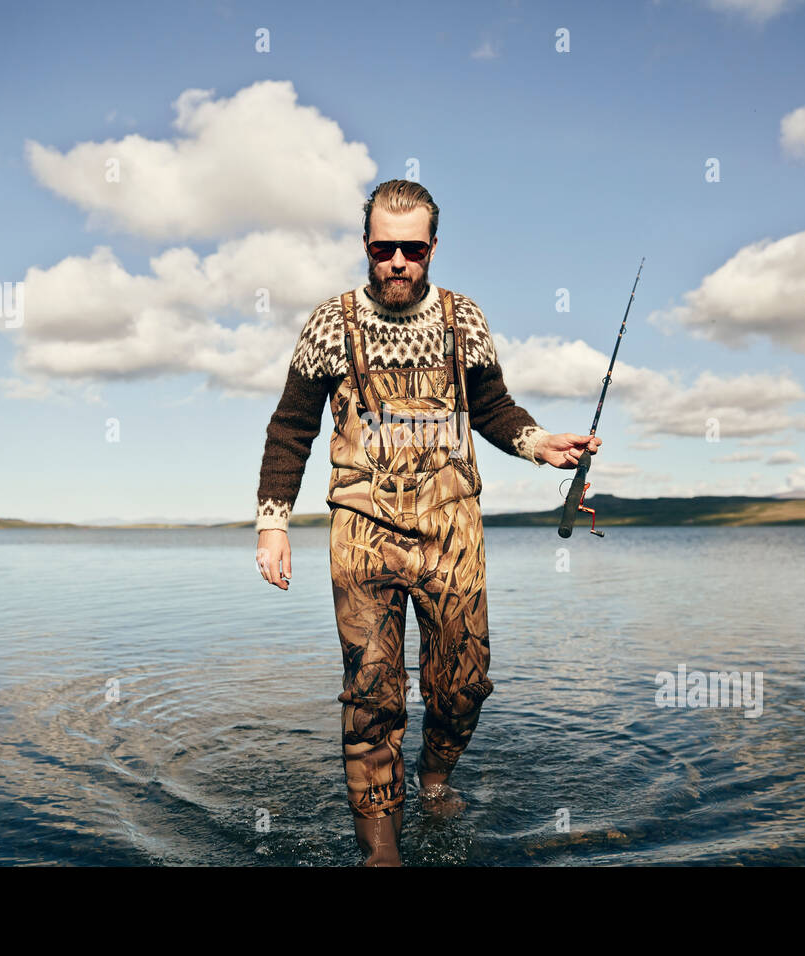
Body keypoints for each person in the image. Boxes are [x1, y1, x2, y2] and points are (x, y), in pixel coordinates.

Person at [254, 179, 601, 865]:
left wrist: (539, 444)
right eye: (384, 248)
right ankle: (381, 854)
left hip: (452, 529)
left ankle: (436, 774)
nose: (397, 263)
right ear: (366, 245)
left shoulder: (463, 318)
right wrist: (272, 524)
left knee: (464, 683)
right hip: (361, 528)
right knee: (372, 693)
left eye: (412, 250)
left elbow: (495, 407)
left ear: (433, 248)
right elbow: (290, 428)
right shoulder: (329, 324)